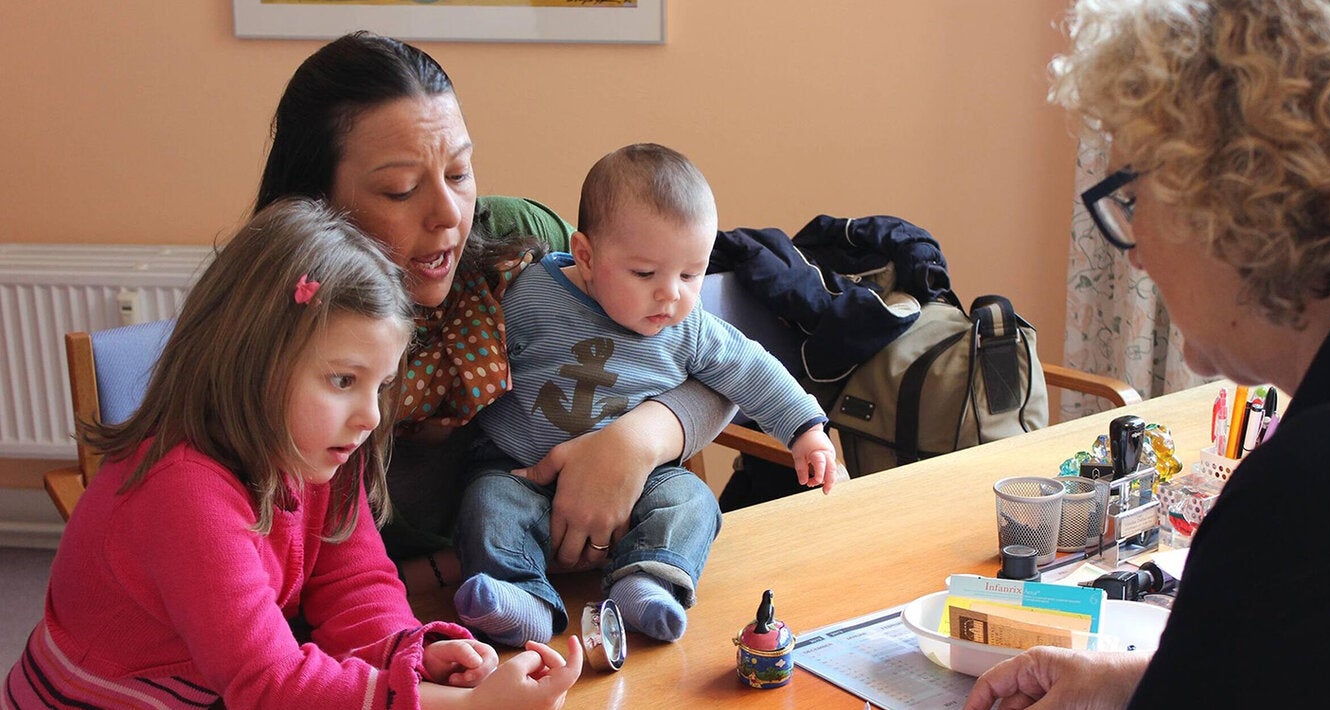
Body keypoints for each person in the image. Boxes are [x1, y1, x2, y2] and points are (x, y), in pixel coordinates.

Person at [966, 1, 1330, 707]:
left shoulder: (1323, 489)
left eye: (1132, 198)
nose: (1136, 249)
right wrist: (1140, 685)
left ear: (1242, 195)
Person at [2, 198, 581, 709]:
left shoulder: (316, 449)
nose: (371, 416)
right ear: (253, 362)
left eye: (378, 386)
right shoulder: (183, 491)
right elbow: (271, 686)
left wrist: (411, 655)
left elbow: (355, 586)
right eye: (341, 380)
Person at [255, 31, 736, 571]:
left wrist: (637, 441)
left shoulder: (523, 242)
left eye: (459, 173)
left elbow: (716, 363)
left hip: (585, 596)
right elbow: (297, 577)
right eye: (399, 190)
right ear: (314, 202)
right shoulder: (283, 319)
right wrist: (454, 569)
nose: (448, 214)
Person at [452, 143, 839, 646]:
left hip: (639, 486)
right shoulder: (528, 296)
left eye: (689, 274)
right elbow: (473, 361)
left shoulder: (689, 327)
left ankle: (647, 581)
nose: (670, 294)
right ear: (586, 256)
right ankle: (522, 598)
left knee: (694, 501)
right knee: (485, 500)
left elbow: (751, 368)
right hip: (522, 472)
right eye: (644, 274)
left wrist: (806, 431)